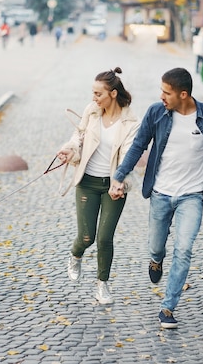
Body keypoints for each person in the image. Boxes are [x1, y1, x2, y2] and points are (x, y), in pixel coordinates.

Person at [109, 67, 203, 328]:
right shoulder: (157, 113)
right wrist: (119, 175)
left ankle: (167, 308)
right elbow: (139, 145)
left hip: (191, 196)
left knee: (184, 249)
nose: (161, 96)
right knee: (156, 246)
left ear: (183, 94)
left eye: (166, 92)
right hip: (160, 193)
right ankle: (156, 260)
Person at [56, 67, 140, 305]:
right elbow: (78, 137)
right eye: (92, 93)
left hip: (114, 186)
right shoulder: (91, 112)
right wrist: (69, 150)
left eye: (98, 94)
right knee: (86, 237)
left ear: (113, 94)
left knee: (104, 238)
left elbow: (128, 154)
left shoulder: (131, 121)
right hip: (88, 182)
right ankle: (75, 255)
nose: (94, 98)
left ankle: (102, 285)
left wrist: (120, 182)